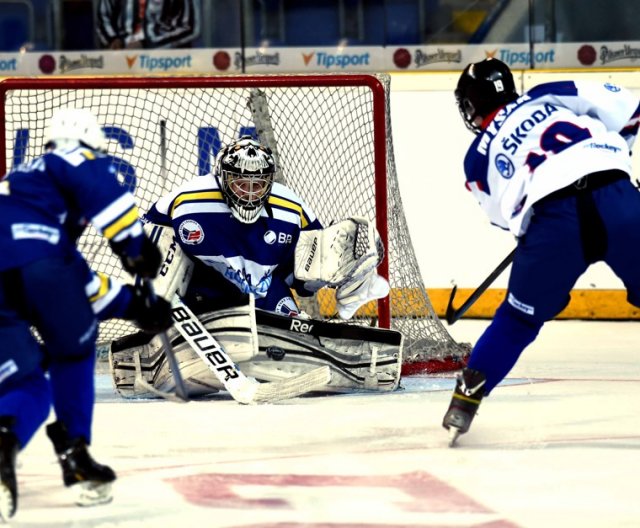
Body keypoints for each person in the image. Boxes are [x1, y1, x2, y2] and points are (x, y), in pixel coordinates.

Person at [442, 58, 640, 446]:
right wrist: (617, 159)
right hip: (619, 199)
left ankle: (465, 401)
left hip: (553, 223)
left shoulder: (476, 157)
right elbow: (629, 108)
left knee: (517, 321)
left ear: (470, 107)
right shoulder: (546, 94)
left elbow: (504, 217)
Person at [0, 108, 171, 521]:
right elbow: (100, 196)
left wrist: (135, 305)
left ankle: (3, 444)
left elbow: (79, 284)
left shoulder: (24, 188)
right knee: (72, 352)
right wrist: (135, 247)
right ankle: (76, 454)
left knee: (29, 389)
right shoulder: (75, 158)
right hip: (40, 266)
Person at [96, 0, 201, 49]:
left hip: (167, 57)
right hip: (122, 53)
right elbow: (103, 14)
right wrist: (113, 39)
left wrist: (148, 44)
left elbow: (190, 27)